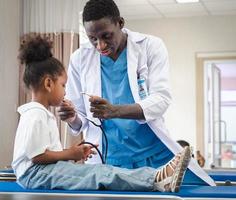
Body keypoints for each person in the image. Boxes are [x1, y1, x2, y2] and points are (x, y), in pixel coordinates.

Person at [57, 0, 215, 186]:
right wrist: (71, 117)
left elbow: (161, 99)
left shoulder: (150, 46)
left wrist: (115, 111)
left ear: (120, 23)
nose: (100, 46)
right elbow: (82, 116)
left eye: (106, 36)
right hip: (108, 159)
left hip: (154, 156)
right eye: (93, 39)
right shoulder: (79, 58)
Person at [12, 36, 191, 192]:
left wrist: (73, 151)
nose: (65, 91)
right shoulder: (35, 114)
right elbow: (37, 156)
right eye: (63, 85)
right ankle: (156, 179)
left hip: (41, 172)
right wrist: (70, 154)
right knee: (99, 174)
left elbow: (41, 153)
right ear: (49, 83)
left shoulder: (39, 114)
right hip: (35, 175)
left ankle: (156, 177)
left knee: (98, 172)